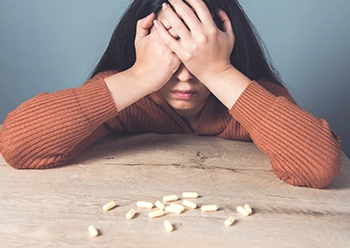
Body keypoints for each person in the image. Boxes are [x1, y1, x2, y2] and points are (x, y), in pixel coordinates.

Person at [0, 0, 341, 188]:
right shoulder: (125, 94)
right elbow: (17, 145)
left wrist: (219, 72)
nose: (184, 75)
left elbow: (319, 166)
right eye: (170, 55)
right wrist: (140, 76)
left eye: (197, 59)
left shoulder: (252, 98)